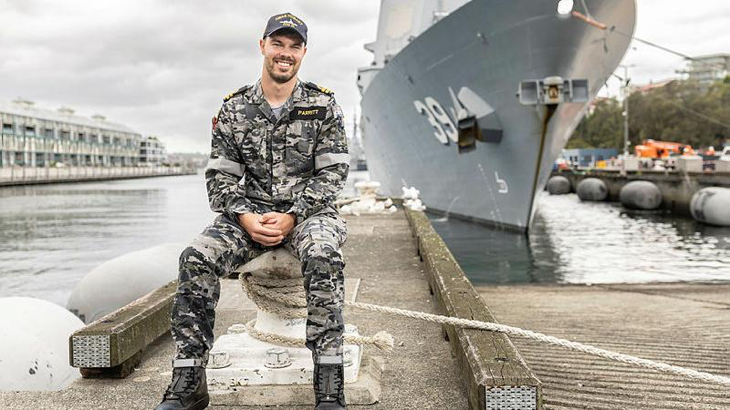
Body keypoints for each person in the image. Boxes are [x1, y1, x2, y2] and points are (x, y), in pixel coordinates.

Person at [155, 12, 350, 410]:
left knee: (323, 254)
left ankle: (329, 380)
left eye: (294, 46)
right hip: (249, 215)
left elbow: (333, 174)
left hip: (310, 215)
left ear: (303, 53)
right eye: (278, 43)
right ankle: (189, 378)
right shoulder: (235, 109)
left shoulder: (322, 105)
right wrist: (245, 217)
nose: (285, 53)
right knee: (195, 257)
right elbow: (220, 180)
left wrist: (294, 214)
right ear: (262, 46)